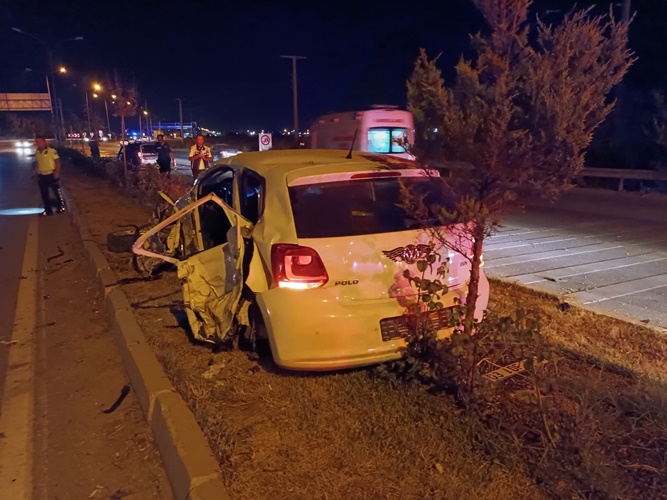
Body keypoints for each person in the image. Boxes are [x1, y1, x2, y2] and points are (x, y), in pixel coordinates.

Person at [34, 136, 65, 216]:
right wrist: (36, 172)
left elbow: (57, 161)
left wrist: (57, 172)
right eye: (37, 142)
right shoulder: (37, 152)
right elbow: (38, 162)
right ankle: (48, 210)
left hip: (51, 174)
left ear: (45, 142)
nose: (38, 143)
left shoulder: (52, 151)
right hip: (42, 175)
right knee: (44, 194)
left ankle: (60, 207)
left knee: (56, 192)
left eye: (40, 141)